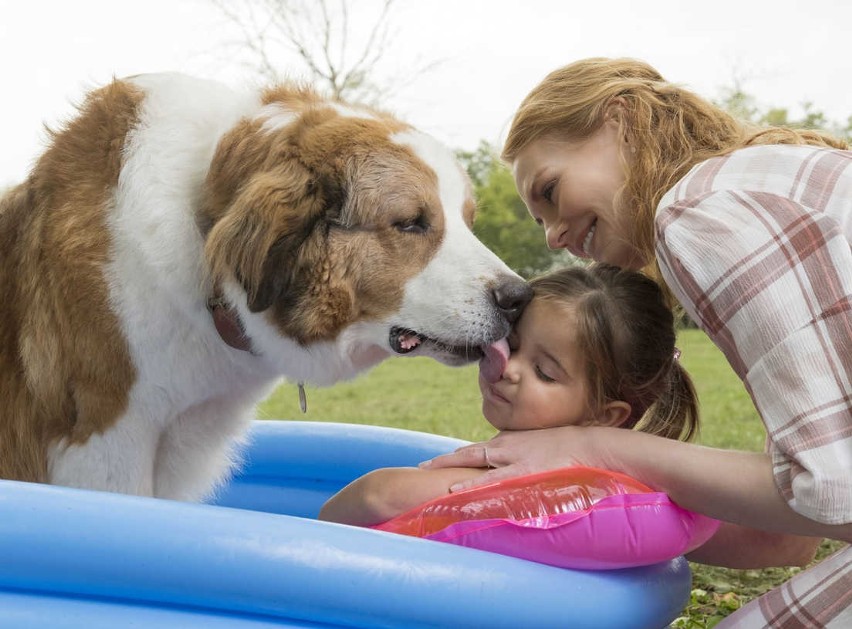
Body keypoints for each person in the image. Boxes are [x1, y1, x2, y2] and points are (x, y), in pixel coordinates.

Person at [422, 58, 852, 627]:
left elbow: (833, 499)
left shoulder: (703, 214)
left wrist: (600, 449)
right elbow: (790, 538)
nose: (553, 235)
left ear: (618, 119)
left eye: (550, 190)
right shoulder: (756, 180)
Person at [319, 263, 699, 526]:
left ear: (605, 416)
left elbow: (376, 496)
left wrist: (317, 529)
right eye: (512, 345)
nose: (511, 368)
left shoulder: (562, 482)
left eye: (544, 372)